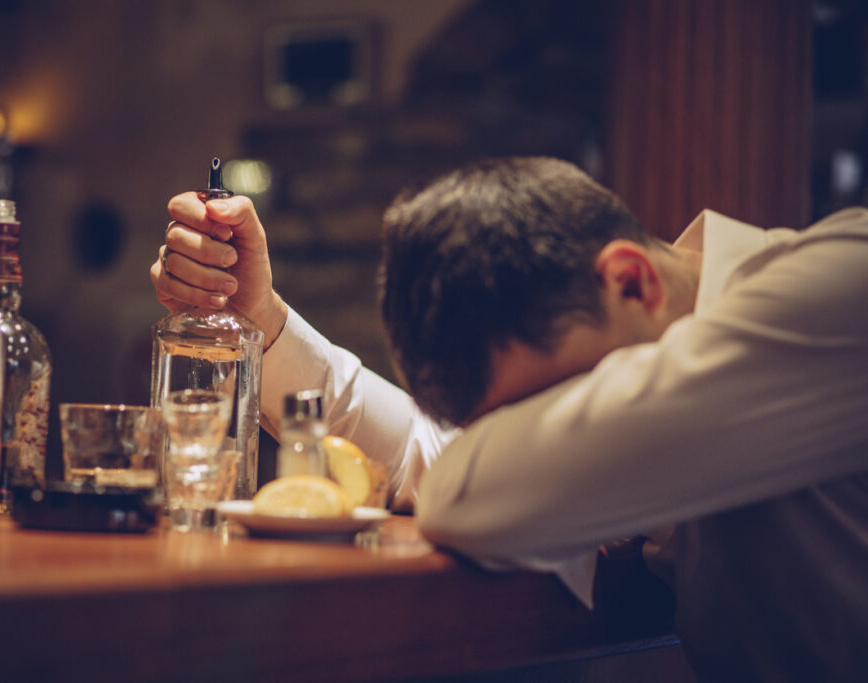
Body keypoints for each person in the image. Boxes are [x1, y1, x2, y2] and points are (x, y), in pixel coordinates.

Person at [151, 156, 868, 682]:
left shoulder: (839, 290)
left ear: (630, 280)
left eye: (566, 408)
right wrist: (264, 321)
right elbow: (430, 454)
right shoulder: (716, 363)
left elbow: (472, 491)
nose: (556, 442)